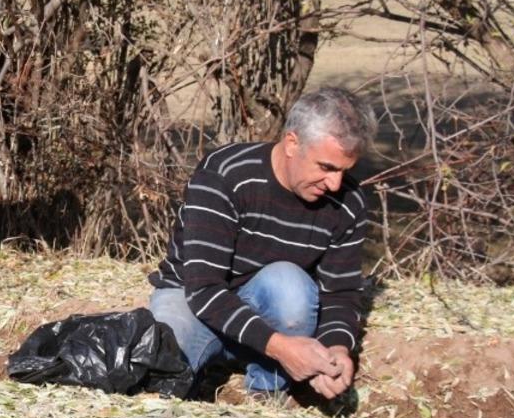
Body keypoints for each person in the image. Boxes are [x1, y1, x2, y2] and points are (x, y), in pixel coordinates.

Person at [148, 87, 376, 402]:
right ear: (292, 143)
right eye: (326, 167)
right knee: (162, 366)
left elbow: (341, 294)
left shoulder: (348, 203)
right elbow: (202, 290)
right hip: (192, 304)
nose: (335, 183)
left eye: (343, 171)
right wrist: (281, 348)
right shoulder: (225, 174)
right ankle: (198, 379)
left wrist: (336, 351)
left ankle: (266, 394)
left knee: (290, 286)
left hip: (268, 313)